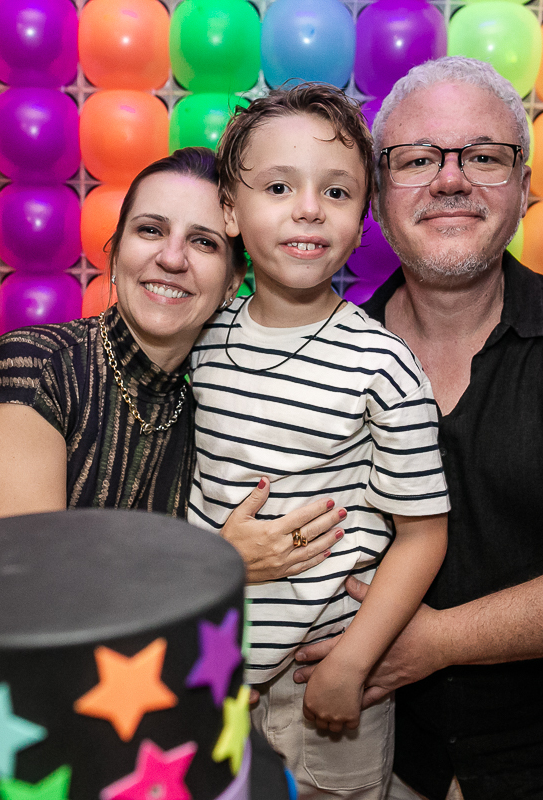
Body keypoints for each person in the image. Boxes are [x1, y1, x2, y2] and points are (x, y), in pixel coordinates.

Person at [0, 148, 345, 799]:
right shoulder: (34, 368)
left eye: (205, 243)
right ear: (114, 253)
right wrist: (221, 565)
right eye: (151, 230)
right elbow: (35, 600)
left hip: (116, 749)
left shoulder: (208, 404)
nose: (172, 257)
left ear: (233, 279)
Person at [293, 57, 543, 800]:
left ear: (521, 186)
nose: (451, 180)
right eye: (417, 160)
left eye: (483, 156)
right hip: (370, 755)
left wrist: (434, 642)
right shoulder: (324, 357)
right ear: (378, 199)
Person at [188, 84, 450, 799]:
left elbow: (423, 535)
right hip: (208, 674)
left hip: (325, 678)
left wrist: (352, 665)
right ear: (231, 212)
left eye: (336, 192)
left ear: (362, 217)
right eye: (279, 186)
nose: (309, 207)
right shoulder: (201, 342)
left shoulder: (383, 363)